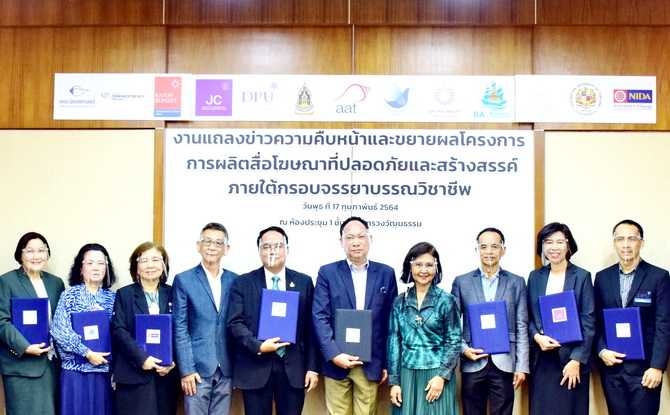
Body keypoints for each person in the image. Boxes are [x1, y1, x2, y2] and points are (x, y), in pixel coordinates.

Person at [227, 226, 320, 415]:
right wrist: (258, 346)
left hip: (293, 367)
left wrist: (313, 368)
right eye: (266, 246)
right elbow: (234, 324)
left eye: (278, 246)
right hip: (255, 365)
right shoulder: (243, 282)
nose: (272, 251)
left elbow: (311, 329)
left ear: (287, 249)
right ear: (259, 251)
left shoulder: (304, 282)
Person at [313, 216, 398, 415]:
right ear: (341, 242)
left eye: (361, 236)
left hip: (371, 362)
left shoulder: (386, 273)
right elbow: (319, 316)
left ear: (370, 239)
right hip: (337, 361)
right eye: (350, 237)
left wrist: (387, 363)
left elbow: (391, 322)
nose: (356, 242)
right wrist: (334, 354)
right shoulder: (327, 273)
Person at [593, 219, 670, 415]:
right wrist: (602, 351)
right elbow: (596, 321)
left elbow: (664, 324)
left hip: (645, 370)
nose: (626, 244)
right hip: (612, 368)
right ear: (614, 244)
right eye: (620, 239)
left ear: (641, 243)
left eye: (632, 239)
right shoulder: (602, 278)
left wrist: (657, 367)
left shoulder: (659, 276)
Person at [451, 228, 529, 415]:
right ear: (477, 250)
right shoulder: (462, 282)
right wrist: (464, 350)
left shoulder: (516, 282)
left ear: (503, 250)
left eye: (495, 246)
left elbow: (522, 325)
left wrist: (521, 366)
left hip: (505, 361)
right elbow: (452, 325)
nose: (489, 251)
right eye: (484, 246)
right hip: (473, 359)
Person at [526, 222, 594, 415]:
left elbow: (589, 322)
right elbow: (527, 316)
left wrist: (576, 360)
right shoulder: (535, 277)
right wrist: (536, 337)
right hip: (542, 359)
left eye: (559, 242)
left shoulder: (582, 276)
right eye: (548, 242)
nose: (553, 247)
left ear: (568, 245)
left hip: (571, 360)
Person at [387, 242, 461, 415]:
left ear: (436, 268)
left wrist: (442, 376)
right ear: (410, 267)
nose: (423, 270)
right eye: (418, 264)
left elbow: (454, 341)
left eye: (429, 265)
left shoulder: (446, 300)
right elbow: (393, 343)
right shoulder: (399, 302)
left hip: (437, 375)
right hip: (406, 374)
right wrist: (394, 382)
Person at [173, 222, 238, 415]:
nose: (212, 247)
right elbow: (180, 327)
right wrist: (186, 370)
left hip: (226, 367)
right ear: (198, 245)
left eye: (218, 243)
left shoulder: (235, 280)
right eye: (207, 241)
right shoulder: (184, 279)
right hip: (196, 369)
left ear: (226, 249)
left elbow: (237, 325)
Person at [111, 242, 180, 415]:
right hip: (133, 375)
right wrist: (142, 358)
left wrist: (173, 361)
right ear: (136, 266)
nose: (150, 265)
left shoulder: (174, 293)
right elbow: (119, 330)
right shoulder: (124, 294)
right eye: (144, 260)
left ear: (164, 265)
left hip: (166, 376)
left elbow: (182, 330)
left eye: (155, 260)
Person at [0, 232, 65, 415]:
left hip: (52, 364)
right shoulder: (6, 281)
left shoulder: (56, 283)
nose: (36, 256)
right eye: (30, 251)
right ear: (20, 255)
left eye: (41, 250)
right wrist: (25, 347)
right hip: (21, 365)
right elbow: (1, 321)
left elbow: (61, 320)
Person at [51, 243, 117, 415]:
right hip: (75, 372)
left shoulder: (113, 298)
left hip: (104, 371)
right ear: (80, 268)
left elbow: (119, 333)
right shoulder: (69, 295)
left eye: (101, 263)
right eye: (90, 263)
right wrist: (87, 353)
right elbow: (59, 330)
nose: (96, 267)